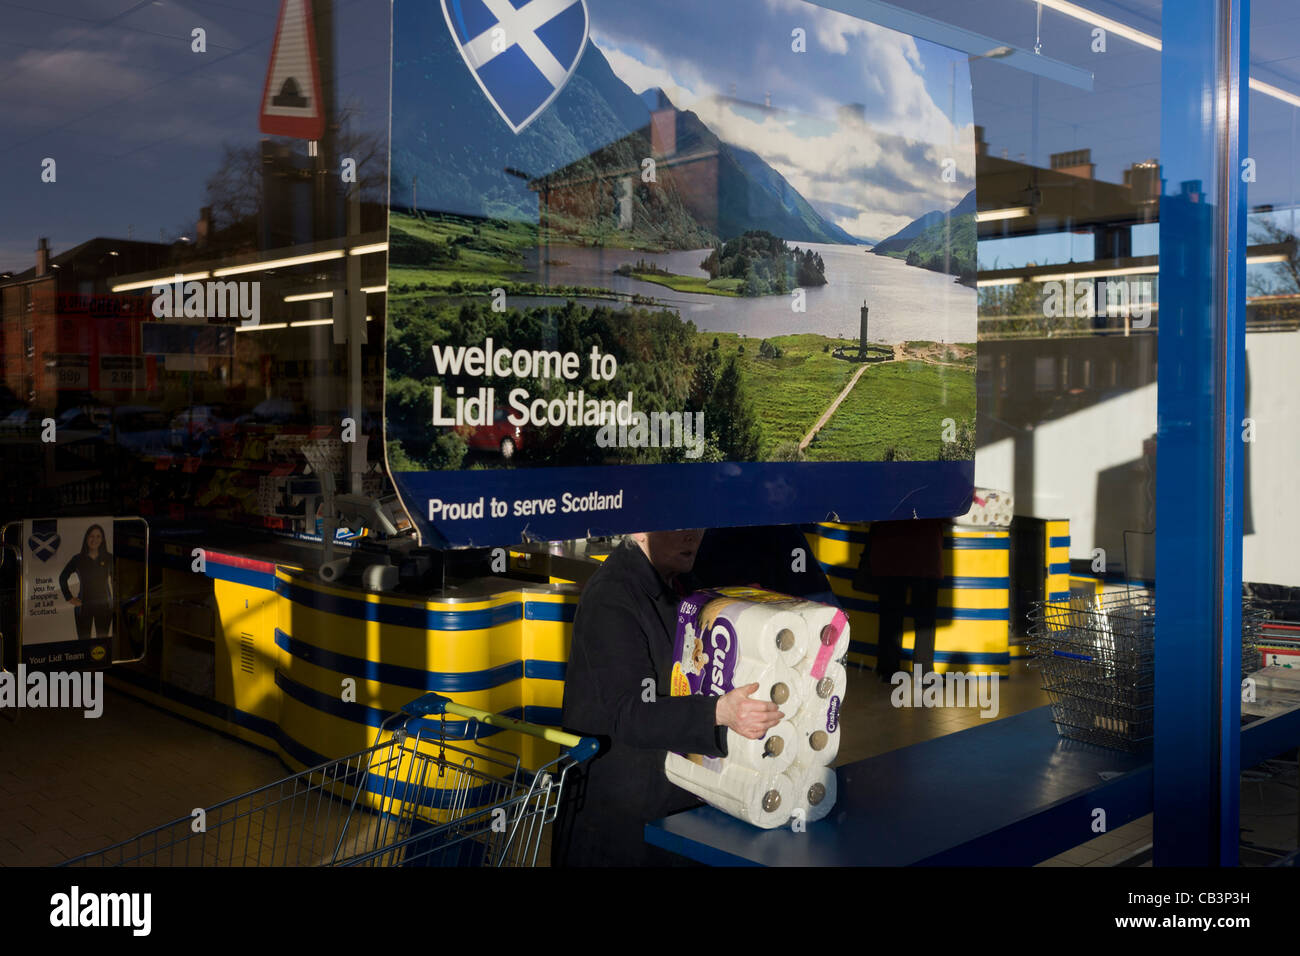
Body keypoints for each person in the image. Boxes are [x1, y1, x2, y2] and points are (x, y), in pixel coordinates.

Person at [551, 529, 783, 867]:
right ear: (639, 530)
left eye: (698, 525)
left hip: (669, 798)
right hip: (619, 809)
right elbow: (630, 713)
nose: (693, 537)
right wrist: (718, 712)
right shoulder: (611, 597)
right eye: (678, 527)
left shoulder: (683, 585)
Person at [853, 519, 945, 679]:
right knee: (924, 620)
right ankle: (924, 673)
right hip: (925, 550)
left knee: (891, 617)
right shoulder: (934, 493)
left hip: (891, 549)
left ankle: (888, 670)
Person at [59, 524, 114, 640]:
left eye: (98, 536)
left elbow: (117, 579)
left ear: (103, 539)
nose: (95, 540)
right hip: (83, 607)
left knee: (102, 643)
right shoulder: (78, 559)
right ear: (86, 538)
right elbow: (62, 577)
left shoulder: (109, 558)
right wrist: (69, 597)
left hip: (105, 607)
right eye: (91, 536)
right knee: (83, 644)